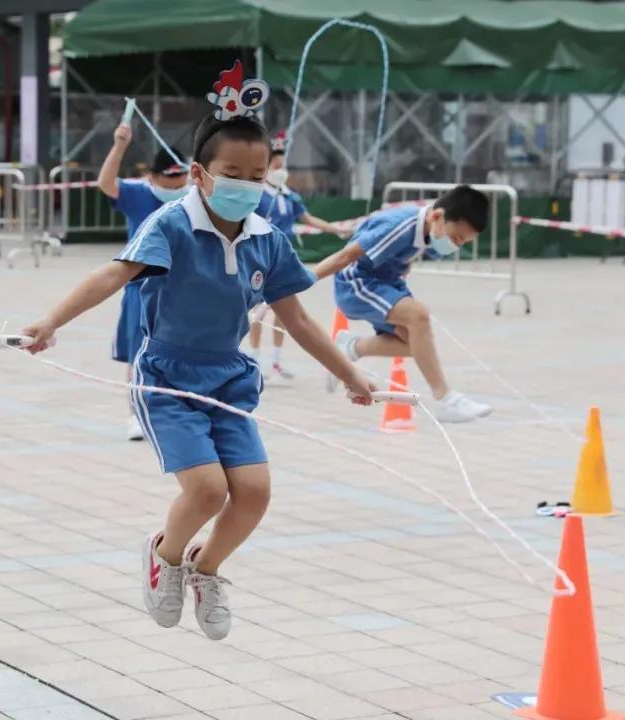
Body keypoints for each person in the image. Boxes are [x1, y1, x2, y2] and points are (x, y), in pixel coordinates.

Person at [21, 62, 374, 641]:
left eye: (257, 174)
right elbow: (113, 276)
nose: (246, 183)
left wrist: (352, 374)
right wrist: (50, 321)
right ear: (199, 173)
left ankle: (206, 570)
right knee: (207, 489)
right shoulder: (170, 225)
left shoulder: (268, 238)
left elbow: (300, 320)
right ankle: (165, 554)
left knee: (254, 493)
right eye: (232, 172)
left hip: (229, 380)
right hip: (167, 377)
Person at [313, 184, 493, 423]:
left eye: (463, 243)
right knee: (419, 316)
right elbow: (345, 256)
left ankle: (352, 347)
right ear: (437, 216)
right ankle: (446, 399)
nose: (456, 246)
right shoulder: (399, 227)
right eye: (456, 238)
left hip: (386, 282)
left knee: (417, 345)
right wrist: (303, 279)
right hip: (355, 282)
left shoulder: (431, 228)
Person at [98, 123, 190, 441]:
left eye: (182, 178)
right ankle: (136, 415)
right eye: (170, 179)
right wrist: (120, 146)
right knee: (140, 353)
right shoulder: (138, 194)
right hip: (142, 288)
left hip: (184, 290)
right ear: (152, 177)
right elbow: (106, 183)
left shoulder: (194, 198)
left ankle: (177, 411)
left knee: (184, 352)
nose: (177, 185)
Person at [249, 131, 353, 382]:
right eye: (275, 162)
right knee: (257, 312)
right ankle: (254, 359)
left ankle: (275, 360)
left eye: (282, 162)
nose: (280, 166)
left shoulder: (288, 194)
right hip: (259, 256)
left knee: (284, 311)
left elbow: (307, 219)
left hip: (282, 259)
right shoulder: (257, 192)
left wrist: (335, 228)